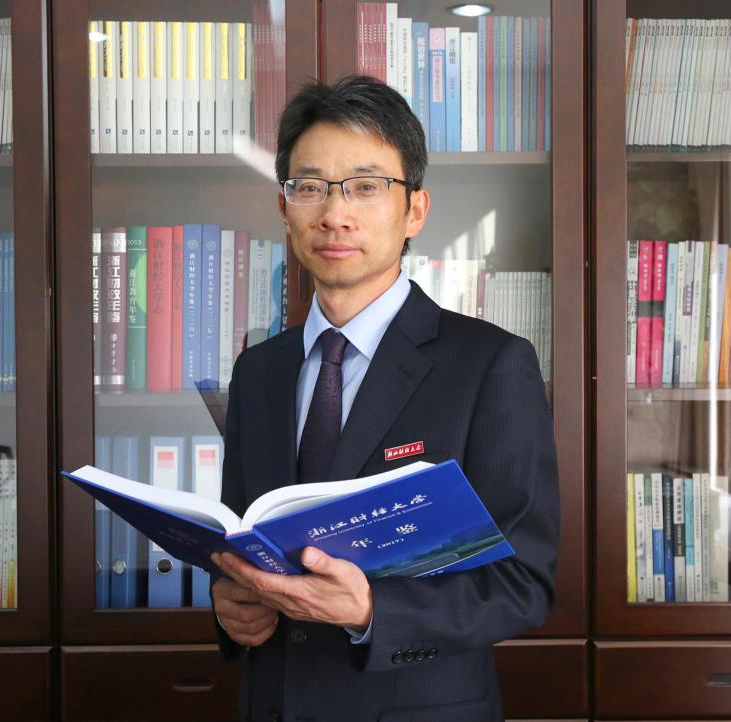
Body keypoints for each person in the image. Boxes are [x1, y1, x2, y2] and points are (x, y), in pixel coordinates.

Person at [210, 75, 559, 722]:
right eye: (309, 187)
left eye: (366, 187)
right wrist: (230, 609)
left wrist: (372, 610)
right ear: (284, 206)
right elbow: (242, 546)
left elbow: (522, 584)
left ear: (415, 211)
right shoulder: (259, 371)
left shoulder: (490, 365)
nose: (333, 213)